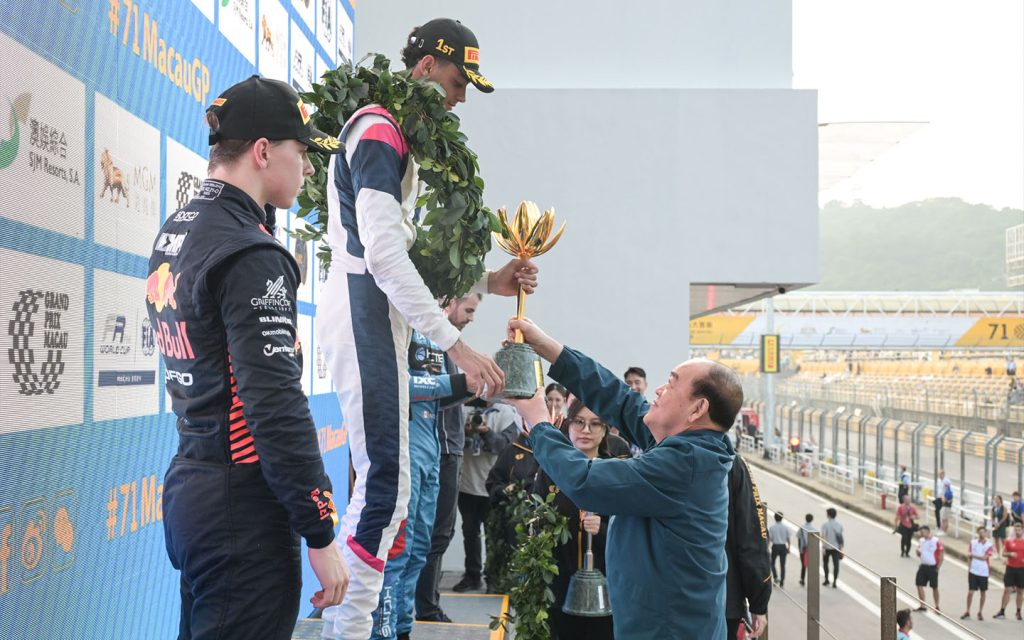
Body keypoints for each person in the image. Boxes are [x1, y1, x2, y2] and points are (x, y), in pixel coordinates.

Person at [316, 18, 539, 639]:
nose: (462, 95)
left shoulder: (391, 134)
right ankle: (346, 631)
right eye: (456, 78)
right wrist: (458, 346)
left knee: (397, 492)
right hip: (363, 306)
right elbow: (384, 257)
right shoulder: (379, 129)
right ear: (423, 69)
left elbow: (397, 259)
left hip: (372, 307)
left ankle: (353, 627)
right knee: (384, 486)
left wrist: (487, 285)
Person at [149, 76, 350, 638]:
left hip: (194, 488)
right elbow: (275, 405)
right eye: (302, 151)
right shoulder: (253, 253)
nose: (309, 167)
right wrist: (320, 531)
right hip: (243, 509)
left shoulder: (178, 230)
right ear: (263, 151)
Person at [505, 318, 739, 639]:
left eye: (671, 383)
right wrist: (547, 346)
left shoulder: (686, 464)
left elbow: (586, 481)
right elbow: (622, 401)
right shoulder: (689, 445)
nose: (658, 388)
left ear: (697, 408)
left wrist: (539, 423)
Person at [372, 327, 472, 640]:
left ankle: (403, 627)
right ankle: (384, 631)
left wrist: (481, 384)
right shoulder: (394, 321)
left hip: (431, 449)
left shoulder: (436, 335)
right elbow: (398, 384)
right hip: (404, 448)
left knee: (419, 550)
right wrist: (459, 382)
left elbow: (441, 394)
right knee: (397, 550)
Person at [414, 295, 480, 623]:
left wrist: (478, 385)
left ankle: (426, 604)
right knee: (432, 534)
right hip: (438, 449)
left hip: (450, 447)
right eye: (468, 309)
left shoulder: (451, 345)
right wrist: (470, 385)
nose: (471, 318)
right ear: (450, 303)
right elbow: (433, 393)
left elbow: (454, 389)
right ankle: (425, 607)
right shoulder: (432, 342)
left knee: (440, 533)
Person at [532, 400, 616, 640]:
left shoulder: (618, 471)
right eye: (579, 422)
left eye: (595, 424)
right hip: (560, 587)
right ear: (568, 425)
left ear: (605, 430)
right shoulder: (551, 470)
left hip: (607, 591)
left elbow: (634, 532)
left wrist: (603, 530)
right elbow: (534, 519)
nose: (586, 430)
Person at [454, 401, 519, 592]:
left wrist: (486, 431)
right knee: (470, 533)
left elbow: (505, 446)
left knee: (494, 535)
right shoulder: (461, 408)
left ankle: (493, 577)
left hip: (493, 486)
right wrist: (464, 433)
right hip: (467, 484)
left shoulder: (506, 412)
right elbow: (451, 441)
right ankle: (472, 576)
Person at [725, 455, 772, 639]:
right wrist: (758, 603)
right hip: (724, 599)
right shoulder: (731, 461)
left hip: (654, 602)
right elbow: (751, 536)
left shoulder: (648, 456)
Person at [961, 525, 994, 620]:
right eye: (980, 532)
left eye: (983, 532)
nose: (981, 534)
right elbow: (969, 556)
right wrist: (969, 568)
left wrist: (973, 556)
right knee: (971, 592)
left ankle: (980, 611)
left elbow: (985, 558)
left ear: (986, 533)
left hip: (983, 571)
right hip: (973, 571)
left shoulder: (989, 545)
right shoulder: (973, 542)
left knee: (983, 592)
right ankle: (967, 610)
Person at [994, 520, 1024, 620]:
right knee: (1007, 590)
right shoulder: (1009, 541)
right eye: (1016, 530)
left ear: (1022, 530)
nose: (1018, 531)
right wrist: (1010, 554)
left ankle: (1018, 612)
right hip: (1010, 568)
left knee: (1020, 591)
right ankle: (1002, 611)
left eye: (1019, 530)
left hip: (1021, 569)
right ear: (1014, 531)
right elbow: (1004, 553)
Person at [914, 526, 943, 612]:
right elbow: (920, 554)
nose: (921, 534)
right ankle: (922, 604)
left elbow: (941, 555)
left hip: (932, 567)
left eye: (923, 532)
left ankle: (937, 605)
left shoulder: (935, 541)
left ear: (928, 532)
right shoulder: (921, 541)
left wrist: (937, 567)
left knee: (934, 587)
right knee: (919, 584)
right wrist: (918, 553)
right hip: (923, 566)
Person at [821, 508, 844, 588]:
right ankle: (834, 581)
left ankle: (827, 579)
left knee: (825, 564)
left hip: (827, 547)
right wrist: (841, 548)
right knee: (836, 565)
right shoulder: (839, 525)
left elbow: (823, 537)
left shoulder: (825, 525)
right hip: (836, 548)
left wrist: (823, 547)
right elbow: (840, 537)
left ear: (829, 515)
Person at [768, 513, 791, 587]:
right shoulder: (786, 527)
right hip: (783, 546)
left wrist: (768, 547)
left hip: (775, 546)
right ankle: (782, 582)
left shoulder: (772, 527)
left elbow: (770, 539)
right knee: (782, 565)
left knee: (772, 563)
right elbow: (788, 539)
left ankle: (775, 577)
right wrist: (788, 548)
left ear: (774, 518)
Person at [798, 513, 816, 586]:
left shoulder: (802, 528)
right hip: (811, 550)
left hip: (803, 549)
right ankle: (812, 580)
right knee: (811, 565)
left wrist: (800, 548)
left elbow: (799, 538)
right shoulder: (814, 529)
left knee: (803, 565)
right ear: (812, 519)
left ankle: (802, 579)